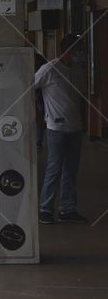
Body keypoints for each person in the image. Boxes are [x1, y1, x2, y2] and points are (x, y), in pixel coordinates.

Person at [35, 35, 87, 223]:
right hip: (55, 127)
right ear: (67, 50)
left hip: (76, 127)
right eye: (77, 50)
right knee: (54, 168)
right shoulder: (49, 69)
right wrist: (37, 114)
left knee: (71, 170)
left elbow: (79, 98)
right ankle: (45, 209)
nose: (79, 54)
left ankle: (67, 208)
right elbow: (29, 88)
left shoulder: (79, 71)